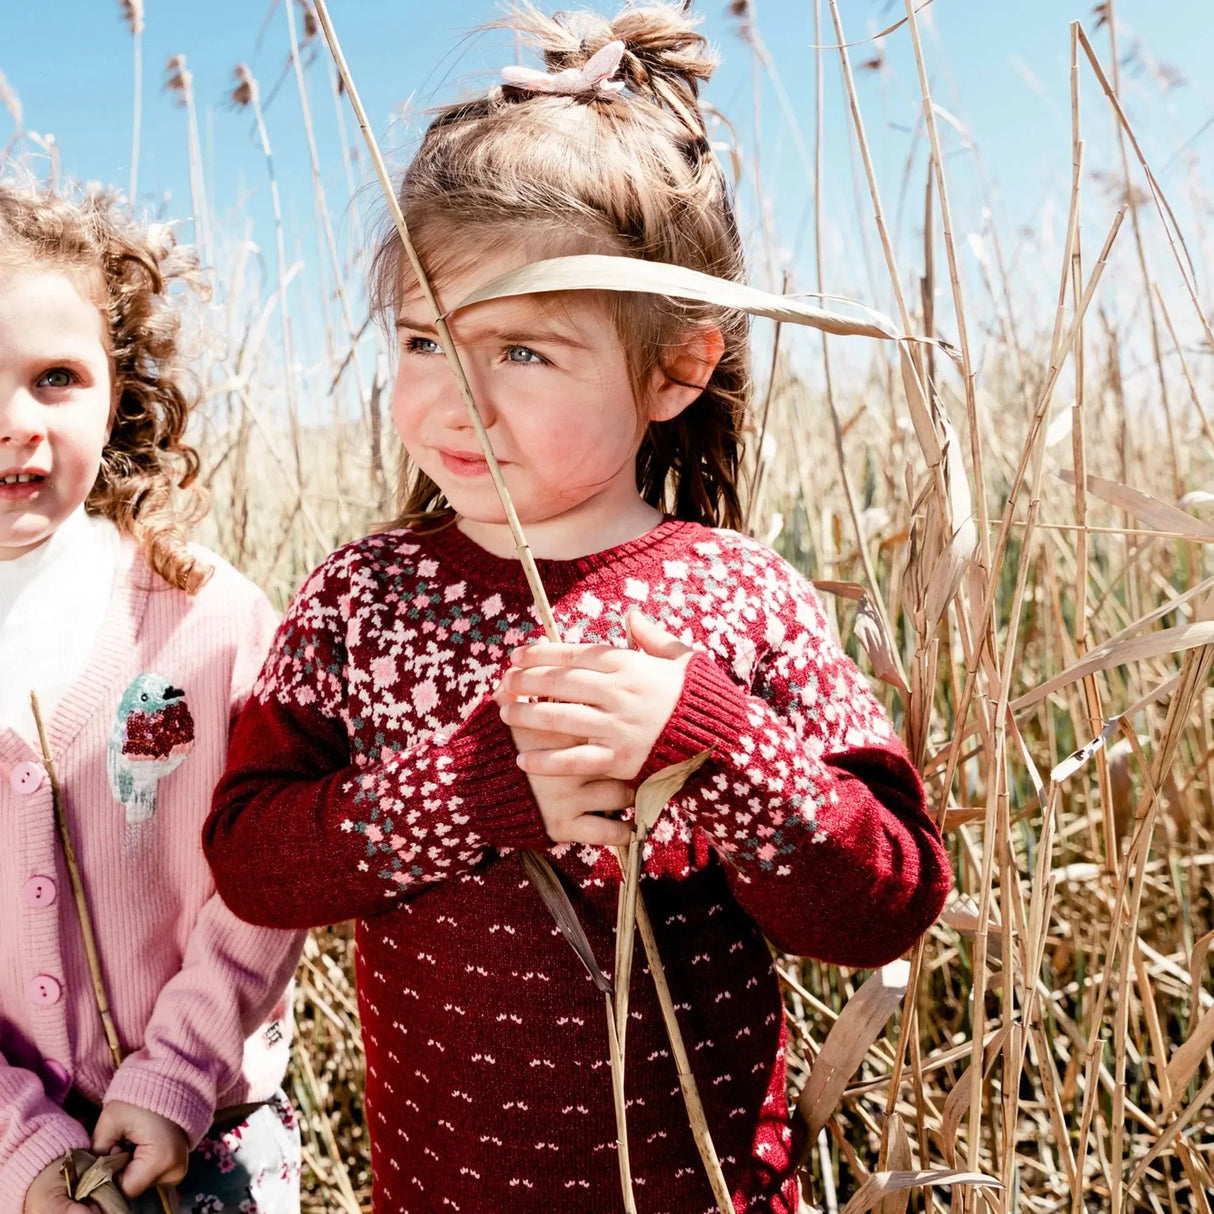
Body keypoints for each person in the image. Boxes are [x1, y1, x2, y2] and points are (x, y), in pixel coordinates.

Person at [205, 5, 952, 1211]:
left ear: (675, 369)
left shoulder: (734, 593)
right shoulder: (362, 596)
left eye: (524, 352)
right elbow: (253, 861)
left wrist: (712, 743)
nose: (457, 400)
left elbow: (887, 899)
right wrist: (479, 788)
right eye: (421, 340)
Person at [0, 181, 305, 1214]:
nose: (14, 424)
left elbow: (263, 878)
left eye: (55, 379)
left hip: (212, 1136)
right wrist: (19, 1141)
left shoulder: (206, 620)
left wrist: (174, 1066)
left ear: (117, 389)